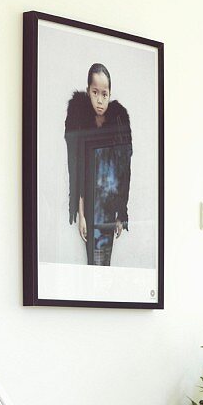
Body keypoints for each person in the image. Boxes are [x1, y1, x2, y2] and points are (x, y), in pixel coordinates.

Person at [64, 63, 132, 266]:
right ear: (88, 91)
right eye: (95, 93)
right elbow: (78, 169)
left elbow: (124, 171)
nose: (100, 100)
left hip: (110, 207)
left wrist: (121, 213)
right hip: (91, 206)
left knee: (105, 265)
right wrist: (81, 213)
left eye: (104, 94)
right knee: (92, 264)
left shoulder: (118, 122)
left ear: (110, 93)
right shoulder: (81, 122)